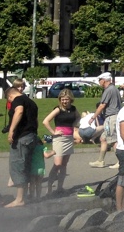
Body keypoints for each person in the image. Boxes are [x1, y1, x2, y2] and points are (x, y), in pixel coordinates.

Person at [5, 79, 38, 208]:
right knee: (26, 166)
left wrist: (11, 131)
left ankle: (19, 199)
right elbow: (36, 120)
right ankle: (24, 196)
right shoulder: (32, 102)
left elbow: (19, 111)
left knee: (18, 166)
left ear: (10, 96)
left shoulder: (18, 100)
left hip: (22, 137)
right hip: (31, 136)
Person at [42, 88, 77, 196]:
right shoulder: (58, 109)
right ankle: (49, 188)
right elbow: (45, 121)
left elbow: (78, 118)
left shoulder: (73, 109)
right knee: (57, 164)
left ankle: (60, 187)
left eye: (66, 99)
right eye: (62, 99)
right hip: (59, 139)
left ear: (70, 99)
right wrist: (53, 132)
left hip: (69, 138)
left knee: (64, 164)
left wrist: (74, 127)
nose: (64, 101)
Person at [89, 73, 122, 169]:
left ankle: (121, 161)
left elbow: (102, 105)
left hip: (111, 118)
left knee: (113, 140)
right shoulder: (114, 89)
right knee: (103, 139)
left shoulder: (108, 90)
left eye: (99, 80)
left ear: (103, 80)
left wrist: (93, 117)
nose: (99, 82)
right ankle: (100, 161)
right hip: (112, 117)